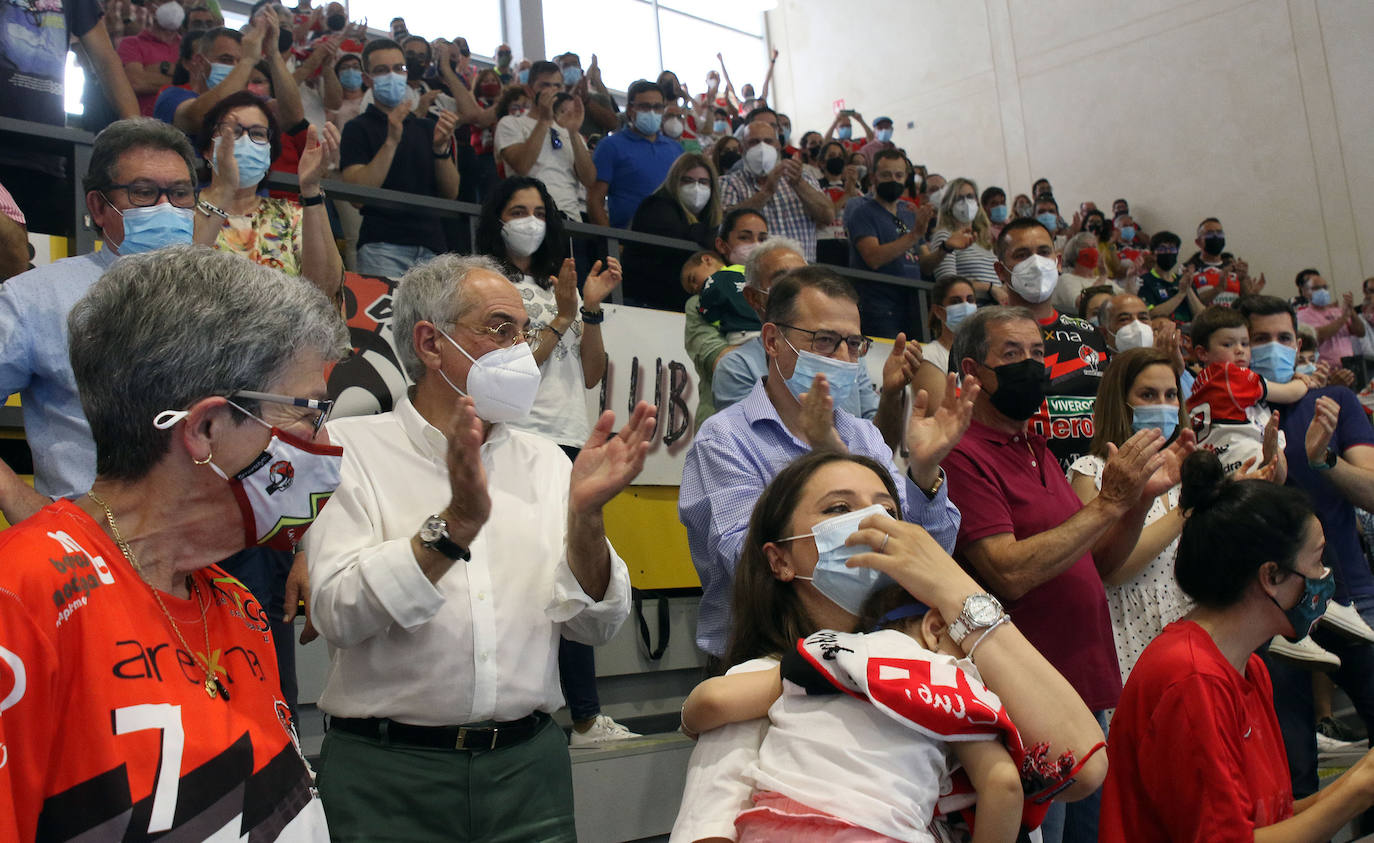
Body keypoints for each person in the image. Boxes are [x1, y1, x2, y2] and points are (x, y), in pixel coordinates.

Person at [0, 244, 344, 840]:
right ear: (207, 428)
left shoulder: (231, 599)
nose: (325, 440)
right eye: (309, 412)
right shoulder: (22, 597)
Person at [304, 254, 649, 839]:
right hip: (387, 775)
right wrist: (455, 526)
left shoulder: (544, 460)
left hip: (528, 767)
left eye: (525, 330)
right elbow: (338, 612)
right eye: (500, 329)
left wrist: (587, 519)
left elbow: (596, 627)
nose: (523, 349)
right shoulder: (347, 448)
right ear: (431, 344)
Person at [671, 450, 1110, 842]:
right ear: (779, 560)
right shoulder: (771, 677)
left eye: (887, 510)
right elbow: (708, 825)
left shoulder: (948, 667)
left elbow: (1081, 766)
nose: (873, 524)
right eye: (839, 508)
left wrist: (952, 584)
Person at [943, 304, 1191, 843]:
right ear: (970, 372)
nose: (1032, 365)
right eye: (1012, 355)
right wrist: (1108, 503)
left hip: (1085, 684)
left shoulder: (1036, 446)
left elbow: (1097, 564)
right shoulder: (962, 454)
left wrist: (1133, 505)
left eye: (1038, 353)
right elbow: (1007, 572)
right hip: (1028, 696)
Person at [680, 266, 952, 664]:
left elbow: (932, 556)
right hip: (764, 659)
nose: (844, 358)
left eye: (854, 344)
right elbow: (751, 563)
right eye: (825, 340)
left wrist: (924, 475)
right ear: (773, 341)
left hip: (868, 652)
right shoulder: (725, 439)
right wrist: (830, 455)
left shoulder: (864, 436)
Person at [1099, 450, 1374, 841]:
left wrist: (1361, 781)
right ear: (1271, 576)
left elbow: (1268, 818)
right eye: (1316, 560)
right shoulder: (1192, 680)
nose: (1324, 576)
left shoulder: (1246, 667)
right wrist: (1360, 788)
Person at [682, 580, 1028, 841]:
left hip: (774, 824)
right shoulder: (955, 682)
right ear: (935, 628)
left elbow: (714, 700)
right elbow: (1003, 786)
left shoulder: (827, 651)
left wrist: (689, 722)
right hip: (881, 832)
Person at [0, 118, 198, 520]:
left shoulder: (230, 298)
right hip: (87, 552)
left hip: (219, 555)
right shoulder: (38, 297)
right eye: (144, 192)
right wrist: (31, 511)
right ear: (97, 207)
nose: (166, 207)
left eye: (179, 193)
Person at [1239, 294, 1374, 804]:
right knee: (1290, 764)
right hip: (1265, 616)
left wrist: (1324, 461)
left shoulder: (1334, 407)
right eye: (1258, 339)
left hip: (1349, 595)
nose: (1272, 348)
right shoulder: (1227, 412)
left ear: (1300, 343)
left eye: (1284, 338)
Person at [1068, 347, 1193, 682]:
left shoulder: (1185, 473)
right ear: (1119, 401)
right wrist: (1187, 510)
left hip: (1187, 627)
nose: (1163, 405)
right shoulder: (1091, 472)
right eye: (1148, 395)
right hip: (1124, 632)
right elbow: (1114, 569)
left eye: (1170, 395)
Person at [192, 90, 342, 299]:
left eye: (257, 134)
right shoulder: (182, 209)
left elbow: (325, 290)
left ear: (269, 154)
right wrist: (224, 191)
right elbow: (173, 283)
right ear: (207, 150)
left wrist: (311, 189)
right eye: (232, 131)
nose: (245, 141)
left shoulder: (291, 216)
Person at [712, 239, 885, 420]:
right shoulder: (737, 367)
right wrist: (828, 444)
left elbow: (877, 436)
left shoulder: (849, 356)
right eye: (823, 339)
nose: (842, 356)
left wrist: (892, 394)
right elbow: (753, 435)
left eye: (806, 281)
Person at [339, 38, 459, 277]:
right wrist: (391, 141)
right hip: (382, 245)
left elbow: (451, 192)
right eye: (382, 70)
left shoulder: (427, 128)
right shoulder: (357, 128)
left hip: (433, 246)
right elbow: (357, 196)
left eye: (398, 69)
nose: (392, 76)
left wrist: (440, 149)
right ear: (367, 79)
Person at [995, 217, 1108, 470]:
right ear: (1000, 270)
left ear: (1057, 262)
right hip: (1018, 478)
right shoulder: (981, 336)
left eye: (1043, 252)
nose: (1035, 263)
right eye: (1022, 255)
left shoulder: (1089, 333)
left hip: (1095, 479)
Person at [1185, 305, 1306, 477]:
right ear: (1202, 353)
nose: (1240, 350)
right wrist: (1304, 382)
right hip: (1242, 456)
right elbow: (1289, 393)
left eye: (1245, 343)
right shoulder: (1229, 374)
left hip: (1214, 462)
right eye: (1228, 344)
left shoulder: (1199, 382)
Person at [684, 208, 768, 429]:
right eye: (744, 237)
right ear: (722, 245)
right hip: (723, 425)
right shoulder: (698, 303)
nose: (755, 244)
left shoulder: (780, 297)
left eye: (763, 239)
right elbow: (721, 361)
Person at [494, 60, 595, 229]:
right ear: (529, 90)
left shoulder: (568, 130)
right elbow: (522, 166)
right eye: (545, 85)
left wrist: (573, 133)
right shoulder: (511, 123)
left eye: (557, 85)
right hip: (531, 219)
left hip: (570, 219)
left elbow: (589, 179)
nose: (553, 91)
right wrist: (544, 120)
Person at [622, 152, 723, 312]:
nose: (696, 188)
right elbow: (674, 236)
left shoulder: (710, 220)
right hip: (646, 302)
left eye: (703, 182)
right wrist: (704, 233)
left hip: (683, 307)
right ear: (675, 182)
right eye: (687, 180)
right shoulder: (656, 206)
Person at [720, 121, 833, 262]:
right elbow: (724, 223)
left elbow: (828, 216)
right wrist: (766, 192)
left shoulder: (803, 177)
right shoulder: (729, 182)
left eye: (768, 141)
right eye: (754, 142)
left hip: (801, 272)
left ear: (778, 146)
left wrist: (798, 184)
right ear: (742, 149)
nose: (762, 147)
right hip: (755, 273)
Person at [844, 149, 929, 338]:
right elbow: (873, 257)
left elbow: (925, 262)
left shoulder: (909, 213)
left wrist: (948, 247)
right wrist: (914, 235)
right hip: (879, 306)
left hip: (915, 304)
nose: (893, 180)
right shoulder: (862, 213)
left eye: (898, 175)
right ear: (873, 178)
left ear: (906, 178)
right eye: (886, 175)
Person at [588, 80, 683, 229]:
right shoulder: (610, 146)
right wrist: (613, 242)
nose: (652, 112)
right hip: (629, 238)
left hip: (673, 237)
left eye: (657, 107)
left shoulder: (676, 150)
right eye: (645, 107)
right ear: (630, 110)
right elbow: (594, 200)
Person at [924, 177, 1004, 304]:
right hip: (972, 308)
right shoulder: (945, 236)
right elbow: (947, 283)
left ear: (977, 202)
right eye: (959, 198)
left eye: (970, 196)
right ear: (948, 204)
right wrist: (990, 288)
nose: (966, 202)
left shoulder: (982, 241)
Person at [909, 276, 979, 415]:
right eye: (956, 301)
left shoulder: (983, 354)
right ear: (939, 311)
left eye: (970, 300)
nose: (966, 306)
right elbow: (939, 414)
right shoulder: (928, 356)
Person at [117, 0, 185, 116]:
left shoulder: (189, 47)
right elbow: (136, 82)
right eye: (165, 0)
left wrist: (155, 72)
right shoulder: (131, 44)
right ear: (149, 5)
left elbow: (198, 85)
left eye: (179, 1)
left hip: (181, 126)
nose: (174, 5)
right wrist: (183, 80)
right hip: (142, 125)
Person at [1295, 269, 1366, 372]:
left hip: (1350, 368)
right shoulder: (1302, 314)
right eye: (1316, 288)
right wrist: (1343, 318)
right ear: (1305, 292)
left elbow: (1360, 332)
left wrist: (1351, 311)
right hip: (1326, 370)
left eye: (1325, 287)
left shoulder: (1338, 311)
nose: (1322, 291)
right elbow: (1317, 335)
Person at [1136, 230, 1204, 323]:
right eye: (1163, 249)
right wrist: (1181, 294)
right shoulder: (1145, 281)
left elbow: (1201, 314)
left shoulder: (1182, 280)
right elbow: (1151, 313)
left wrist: (1188, 289)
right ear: (1153, 254)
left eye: (1172, 249)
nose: (1168, 252)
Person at [812, 140, 860, 268]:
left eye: (840, 157)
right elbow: (823, 218)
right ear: (822, 162)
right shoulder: (815, 186)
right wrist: (847, 195)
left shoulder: (855, 188)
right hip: (824, 243)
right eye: (832, 156)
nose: (837, 160)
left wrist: (852, 189)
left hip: (851, 245)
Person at [1185, 217, 1252, 307]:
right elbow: (1188, 303)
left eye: (1219, 233)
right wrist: (1218, 289)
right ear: (1198, 242)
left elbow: (1248, 302)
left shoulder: (1233, 267)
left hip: (1234, 319)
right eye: (1209, 234)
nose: (1216, 237)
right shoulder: (1189, 269)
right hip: (1205, 319)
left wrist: (1243, 281)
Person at [1052, 232, 1113, 316]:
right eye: (1086, 246)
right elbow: (1082, 304)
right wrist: (1102, 277)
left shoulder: (1103, 280)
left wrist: (1131, 277)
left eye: (1094, 246)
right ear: (1074, 251)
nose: (1091, 250)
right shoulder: (1066, 279)